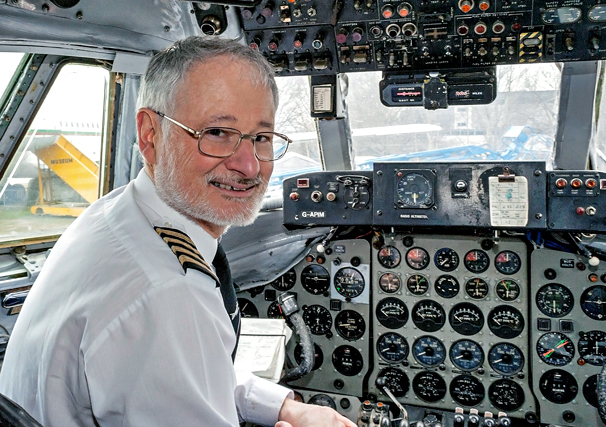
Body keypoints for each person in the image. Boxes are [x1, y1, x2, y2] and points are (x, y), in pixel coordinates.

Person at [0, 36, 357, 427]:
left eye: (261, 138)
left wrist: (286, 407)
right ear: (150, 135)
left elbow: (189, 370)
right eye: (218, 132)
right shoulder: (167, 291)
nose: (250, 166)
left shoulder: (116, 213)